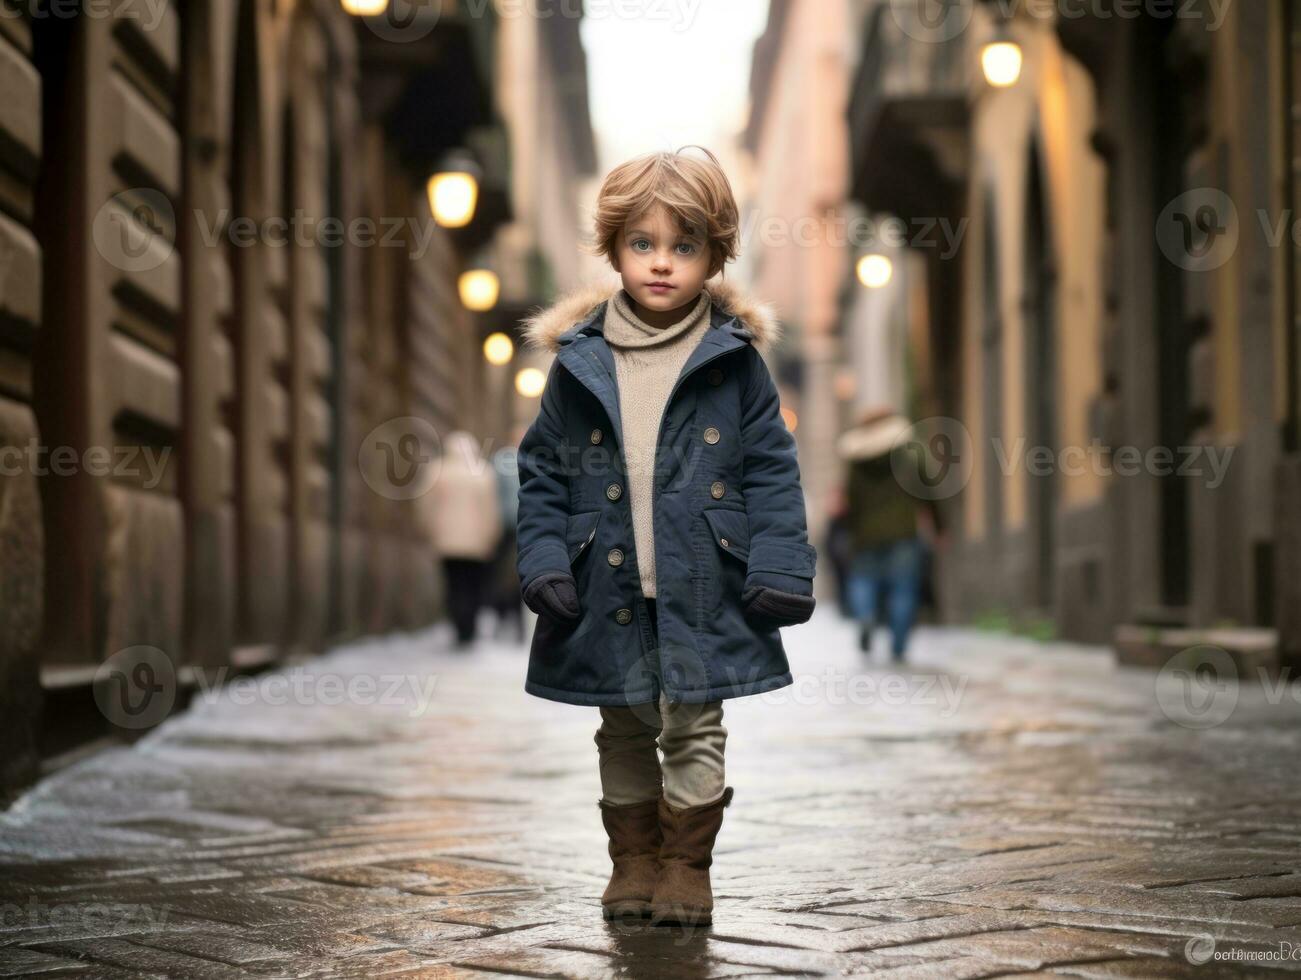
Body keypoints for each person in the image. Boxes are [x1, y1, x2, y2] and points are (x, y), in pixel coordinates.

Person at [515, 148, 817, 927]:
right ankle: (633, 863)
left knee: (694, 723)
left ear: (715, 255)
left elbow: (772, 471)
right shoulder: (578, 361)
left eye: (684, 247)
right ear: (613, 248)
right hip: (602, 581)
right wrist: (544, 556)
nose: (660, 264)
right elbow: (543, 471)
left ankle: (685, 866)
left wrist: (781, 561)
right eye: (642, 244)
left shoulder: (735, 362)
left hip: (703, 580)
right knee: (620, 721)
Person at [837, 407, 928, 661]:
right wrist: (939, 526)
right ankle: (898, 645)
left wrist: (849, 530)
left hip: (865, 534)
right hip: (903, 532)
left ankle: (866, 617)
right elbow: (928, 489)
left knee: (863, 581)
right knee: (903, 587)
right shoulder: (910, 452)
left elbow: (850, 499)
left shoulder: (857, 461)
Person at [424, 430, 503, 649]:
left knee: (454, 584)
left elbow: (426, 506)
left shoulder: (438, 471)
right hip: (476, 543)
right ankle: (469, 629)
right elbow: (490, 510)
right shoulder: (483, 473)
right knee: (474, 585)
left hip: (447, 542)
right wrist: (490, 536)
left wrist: (431, 530)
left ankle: (459, 627)